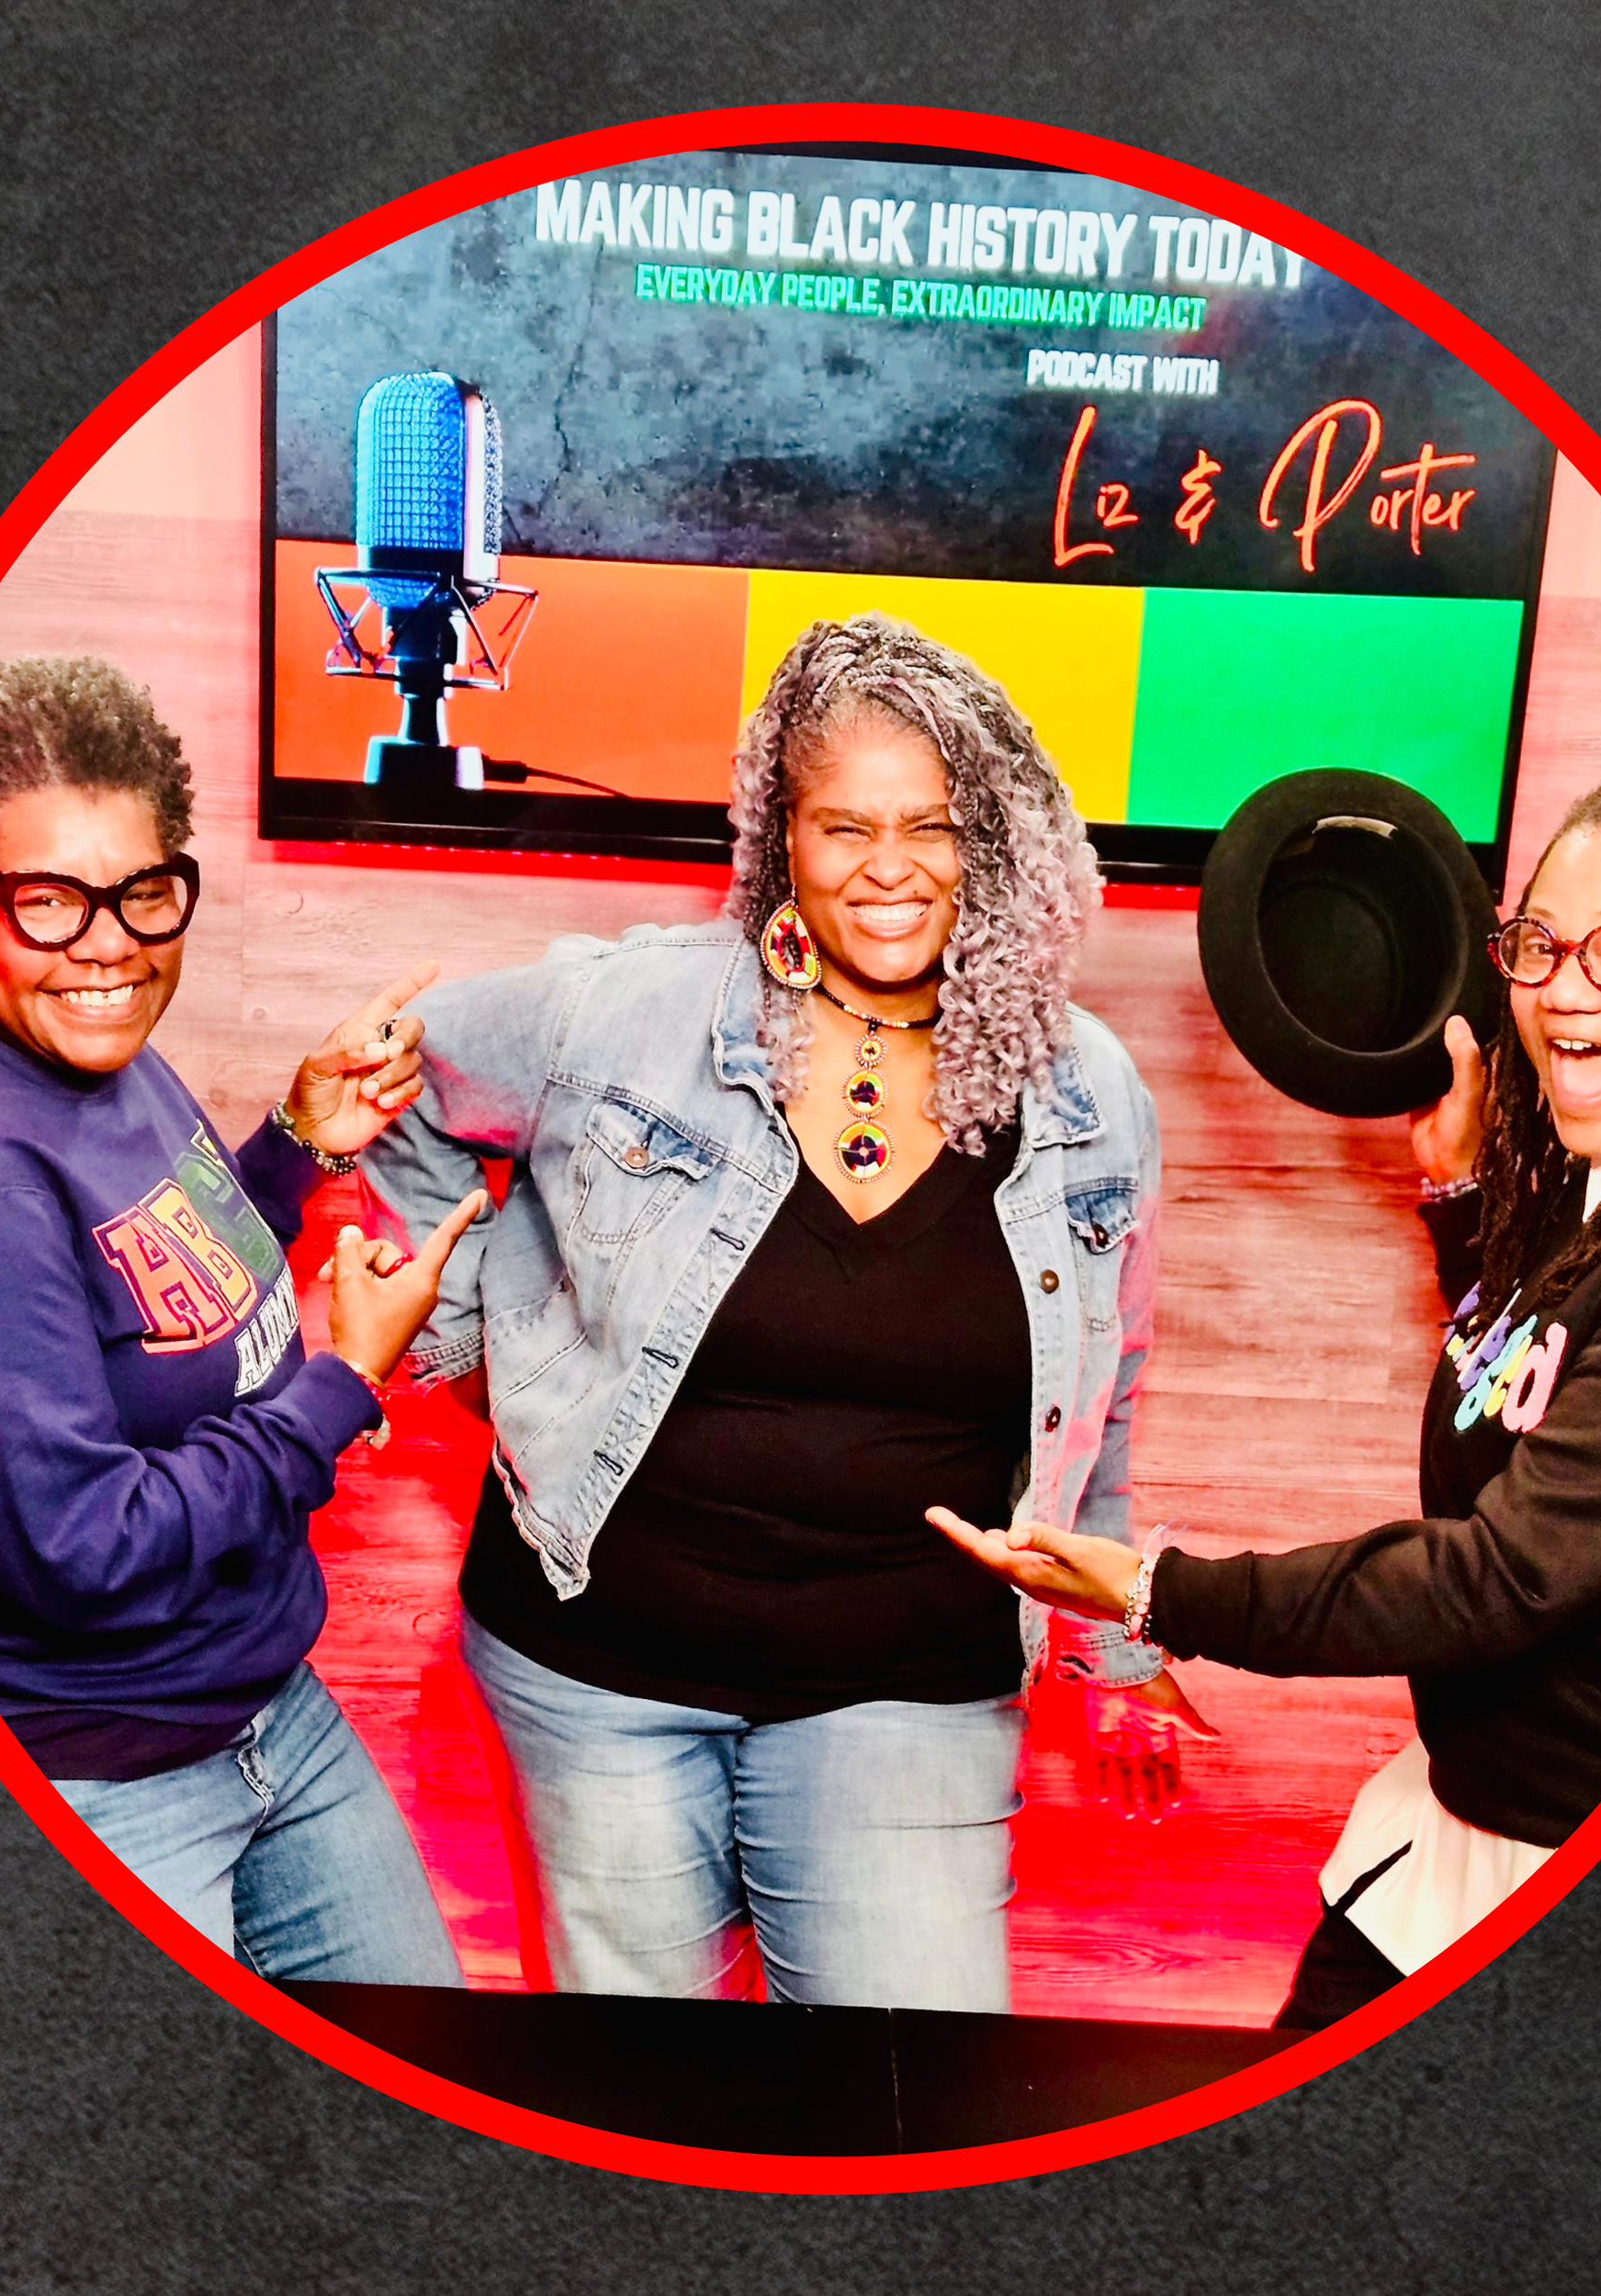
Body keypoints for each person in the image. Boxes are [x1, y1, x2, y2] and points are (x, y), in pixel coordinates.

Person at [364, 613, 1201, 2011]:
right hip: (594, 1663)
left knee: (908, 2107)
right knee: (637, 2109)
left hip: (910, 1680)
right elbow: (402, 1085)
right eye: (842, 827)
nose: (889, 871)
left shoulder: (1086, 1093)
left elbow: (1100, 1386)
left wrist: (1118, 1641)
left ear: (985, 844)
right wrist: (467, 1341)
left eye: (931, 828)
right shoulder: (632, 1013)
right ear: (777, 843)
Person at [931, 777, 1601, 2029]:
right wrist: (1465, 1212)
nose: (1567, 988)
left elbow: (1497, 1579)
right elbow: (1524, 1391)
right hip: (1469, 1823)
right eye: (1542, 946)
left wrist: (1155, 1594)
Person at [0, 657, 484, 1985]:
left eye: (142, 892)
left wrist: (296, 1142)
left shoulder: (91, 1050)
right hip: (98, 1781)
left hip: (262, 1709)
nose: (112, 944)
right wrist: (339, 1382)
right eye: (48, 902)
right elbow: (82, 1550)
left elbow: (148, 1285)